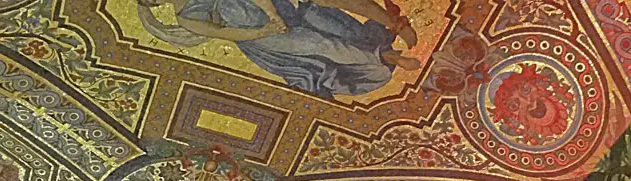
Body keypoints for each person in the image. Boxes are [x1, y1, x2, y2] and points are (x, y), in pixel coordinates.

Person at [135, 0, 420, 99]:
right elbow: (224, 32)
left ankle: (388, 30)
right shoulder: (186, 17)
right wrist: (265, 30)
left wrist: (272, 14)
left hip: (272, 10)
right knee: (316, 43)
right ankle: (382, 56)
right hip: (259, 36)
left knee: (324, 17)